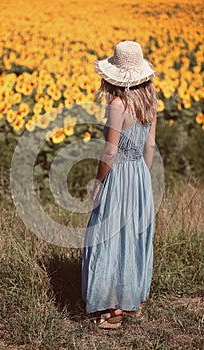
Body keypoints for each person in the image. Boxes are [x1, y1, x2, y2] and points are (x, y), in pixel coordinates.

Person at [81, 41, 157, 329]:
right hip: (138, 173)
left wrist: (99, 181)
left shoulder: (117, 104)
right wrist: (143, 181)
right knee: (133, 236)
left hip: (120, 173)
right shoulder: (150, 100)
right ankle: (131, 298)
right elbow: (150, 145)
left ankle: (112, 310)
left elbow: (111, 151)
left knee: (109, 235)